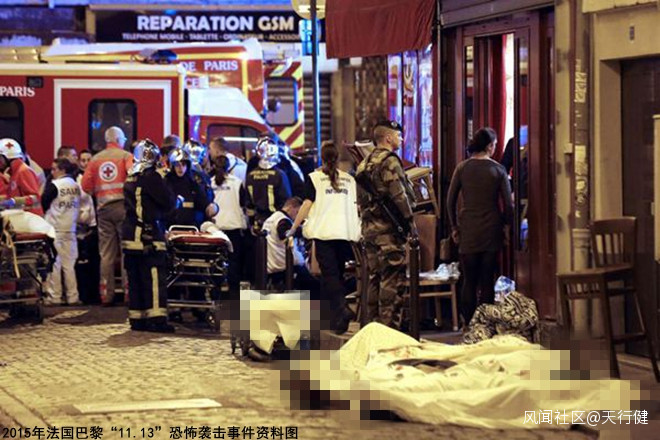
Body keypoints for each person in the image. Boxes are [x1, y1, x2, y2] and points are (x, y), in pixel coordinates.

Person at [291, 141, 361, 334]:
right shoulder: (349, 179)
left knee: (329, 275)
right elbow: (356, 205)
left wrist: (294, 227)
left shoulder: (314, 178)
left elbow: (306, 205)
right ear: (337, 158)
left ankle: (342, 309)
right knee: (336, 274)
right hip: (344, 233)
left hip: (324, 233)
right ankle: (335, 320)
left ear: (321, 158)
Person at [447, 127, 514, 325]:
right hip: (491, 228)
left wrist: (454, 227)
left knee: (469, 279)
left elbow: (450, 201)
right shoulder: (498, 170)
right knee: (487, 279)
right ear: (489, 146)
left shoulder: (462, 168)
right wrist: (507, 226)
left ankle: (468, 323)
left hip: (468, 228)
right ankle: (485, 323)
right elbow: (508, 205)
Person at [355, 121, 417, 330]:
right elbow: (399, 195)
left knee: (375, 278)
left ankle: (372, 328)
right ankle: (388, 330)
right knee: (392, 280)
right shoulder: (389, 161)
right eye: (398, 135)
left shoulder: (364, 163)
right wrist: (410, 222)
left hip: (369, 231)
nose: (401, 139)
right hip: (388, 232)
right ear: (388, 138)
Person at [122, 139, 177, 333]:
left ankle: (137, 319)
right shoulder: (152, 177)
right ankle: (156, 319)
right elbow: (167, 202)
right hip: (149, 235)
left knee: (135, 278)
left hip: (131, 235)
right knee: (153, 277)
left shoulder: (131, 176)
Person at [81, 126, 133, 306]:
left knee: (106, 254)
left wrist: (99, 194)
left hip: (103, 210)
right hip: (123, 208)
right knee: (126, 250)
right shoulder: (126, 156)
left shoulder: (95, 159)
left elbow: (86, 186)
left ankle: (106, 294)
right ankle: (128, 293)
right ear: (118, 140)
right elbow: (133, 179)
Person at [43, 158, 81, 306]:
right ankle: (73, 297)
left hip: (55, 229)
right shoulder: (76, 185)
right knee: (69, 265)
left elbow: (44, 202)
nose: (52, 172)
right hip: (70, 228)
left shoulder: (55, 185)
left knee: (55, 264)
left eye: (54, 169)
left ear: (62, 170)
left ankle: (55, 297)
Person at [263, 197, 319, 297]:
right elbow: (285, 234)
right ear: (290, 207)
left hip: (273, 266)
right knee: (316, 287)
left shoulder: (270, 219)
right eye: (298, 212)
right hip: (287, 266)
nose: (298, 217)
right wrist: (305, 229)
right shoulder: (283, 220)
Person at [211, 154, 248, 301]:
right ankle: (234, 296)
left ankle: (216, 293)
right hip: (233, 226)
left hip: (216, 227)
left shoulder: (210, 182)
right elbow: (244, 204)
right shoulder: (237, 183)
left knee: (215, 262)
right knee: (234, 262)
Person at [245, 136, 292, 228]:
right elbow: (286, 199)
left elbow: (248, 202)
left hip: (258, 220)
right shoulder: (279, 174)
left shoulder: (251, 175)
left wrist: (252, 223)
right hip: (276, 219)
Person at [165, 147, 217, 228]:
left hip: (193, 227)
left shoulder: (194, 182)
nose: (180, 168)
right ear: (172, 166)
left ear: (188, 165)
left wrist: (211, 207)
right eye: (177, 165)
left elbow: (204, 201)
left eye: (183, 164)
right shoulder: (166, 182)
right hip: (171, 226)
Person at [0, 138, 43, 216]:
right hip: (23, 217)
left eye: (0, 158)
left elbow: (35, 199)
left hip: (31, 219)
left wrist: (12, 202)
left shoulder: (23, 171)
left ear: (7, 157)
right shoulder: (14, 172)